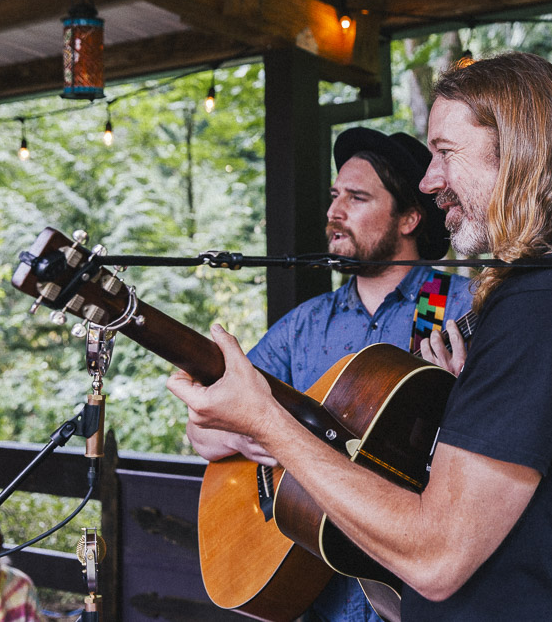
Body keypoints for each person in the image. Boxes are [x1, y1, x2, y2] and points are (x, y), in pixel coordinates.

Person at [170, 52, 552, 620]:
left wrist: (269, 422)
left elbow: (438, 554)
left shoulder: (507, 301)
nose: (429, 181)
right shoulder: (314, 318)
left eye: (445, 152)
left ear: (519, 150)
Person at [187, 126, 473, 621]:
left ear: (409, 218)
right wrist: (251, 435)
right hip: (318, 598)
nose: (334, 212)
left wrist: (459, 397)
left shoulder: (460, 309)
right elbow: (203, 430)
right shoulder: (305, 325)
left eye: (356, 198)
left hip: (415, 597)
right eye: (334, 196)